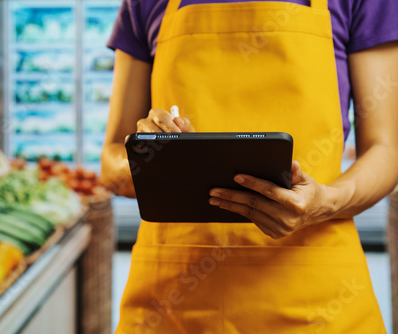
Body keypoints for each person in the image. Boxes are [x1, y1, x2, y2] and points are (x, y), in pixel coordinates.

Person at [101, 0, 398, 332]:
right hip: (172, 302)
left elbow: (386, 149)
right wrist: (152, 157)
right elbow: (112, 161)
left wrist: (324, 203)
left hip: (316, 299)